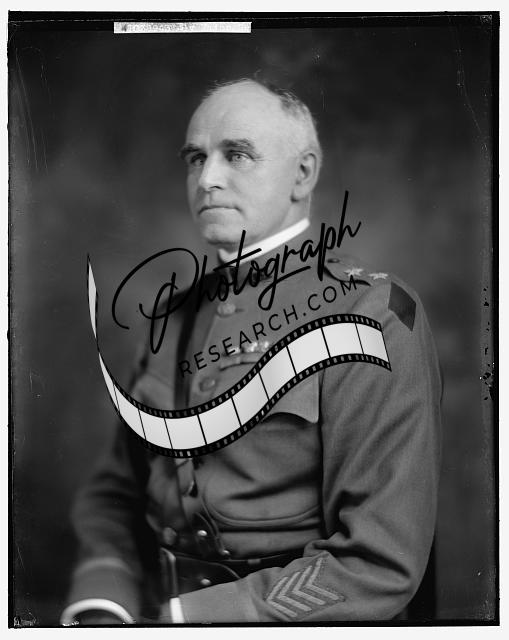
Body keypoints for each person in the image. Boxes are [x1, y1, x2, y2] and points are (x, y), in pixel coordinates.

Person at [61, 78, 441, 624]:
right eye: (196, 158)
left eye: (236, 155)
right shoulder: (171, 317)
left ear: (303, 173)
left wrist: (183, 620)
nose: (207, 179)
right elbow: (117, 491)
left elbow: (378, 561)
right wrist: (104, 598)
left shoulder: (372, 312)